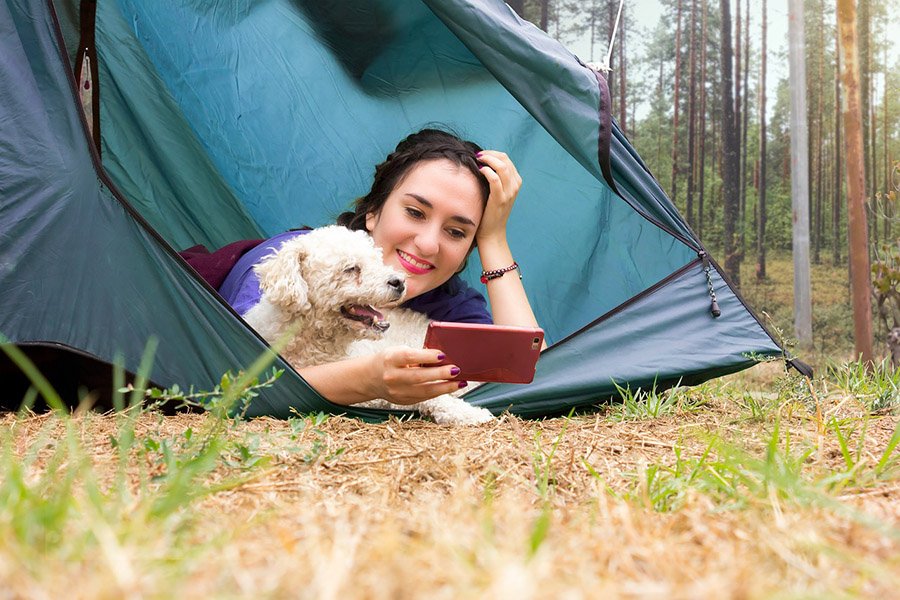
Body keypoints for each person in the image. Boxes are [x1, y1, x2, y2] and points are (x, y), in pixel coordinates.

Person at [219, 128, 541, 406]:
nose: (429, 244)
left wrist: (494, 238)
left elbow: (532, 377)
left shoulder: (449, 305)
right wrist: (368, 379)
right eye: (415, 212)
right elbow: (231, 377)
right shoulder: (301, 262)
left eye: (457, 232)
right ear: (373, 211)